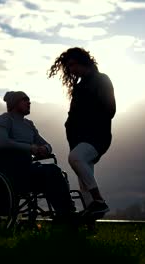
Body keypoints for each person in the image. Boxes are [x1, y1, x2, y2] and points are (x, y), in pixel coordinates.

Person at [0, 90, 76, 223]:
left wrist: (45, 148)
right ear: (15, 103)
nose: (29, 102)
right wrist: (30, 147)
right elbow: (2, 143)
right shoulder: (3, 120)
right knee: (51, 171)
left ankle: (65, 213)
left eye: (29, 100)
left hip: (26, 168)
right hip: (8, 169)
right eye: (25, 100)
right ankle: (66, 213)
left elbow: (47, 144)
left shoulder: (29, 125)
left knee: (53, 171)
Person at [48, 47, 116, 220]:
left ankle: (99, 201)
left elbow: (110, 110)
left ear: (83, 61)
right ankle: (89, 224)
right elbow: (72, 116)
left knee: (75, 158)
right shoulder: (78, 87)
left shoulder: (102, 80)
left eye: (72, 64)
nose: (71, 70)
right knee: (84, 182)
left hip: (97, 136)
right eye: (68, 67)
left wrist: (87, 117)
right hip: (78, 139)